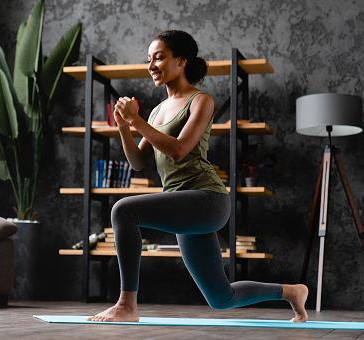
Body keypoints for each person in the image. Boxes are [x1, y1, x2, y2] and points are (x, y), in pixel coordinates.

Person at [87, 29, 308, 323]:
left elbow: (178, 150)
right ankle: (292, 292)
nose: (151, 65)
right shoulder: (156, 112)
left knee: (122, 211)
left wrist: (135, 120)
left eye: (159, 57)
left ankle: (127, 305)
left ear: (181, 61)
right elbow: (139, 162)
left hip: (208, 200)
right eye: (148, 59)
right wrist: (125, 127)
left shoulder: (201, 101)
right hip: (183, 204)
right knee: (220, 298)